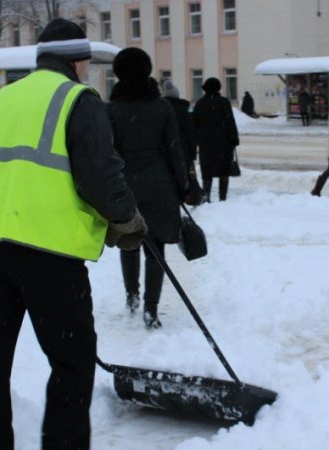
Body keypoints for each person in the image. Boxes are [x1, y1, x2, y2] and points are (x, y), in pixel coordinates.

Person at [0, 17, 144, 449]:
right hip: (49, 257)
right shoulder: (78, 99)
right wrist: (127, 220)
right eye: (87, 64)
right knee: (72, 360)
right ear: (76, 62)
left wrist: (4, 204)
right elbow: (101, 176)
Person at [108, 49, 188, 329]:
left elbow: (107, 153)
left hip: (125, 186)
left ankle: (132, 296)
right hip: (159, 185)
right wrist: (183, 185)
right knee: (156, 248)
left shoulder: (112, 109)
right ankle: (151, 309)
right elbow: (175, 150)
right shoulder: (162, 107)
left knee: (129, 243)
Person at [193, 77, 240, 202]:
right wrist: (234, 139)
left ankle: (206, 196)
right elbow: (231, 122)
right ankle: (222, 197)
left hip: (206, 144)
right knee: (224, 171)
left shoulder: (200, 104)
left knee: (207, 171)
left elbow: (194, 124)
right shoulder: (224, 102)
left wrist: (195, 141)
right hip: (224, 144)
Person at [162, 79, 201, 205]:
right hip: (183, 148)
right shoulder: (183, 110)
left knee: (169, 173)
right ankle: (191, 196)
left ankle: (173, 197)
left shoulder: (160, 110)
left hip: (166, 149)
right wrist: (193, 153)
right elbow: (190, 133)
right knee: (187, 174)